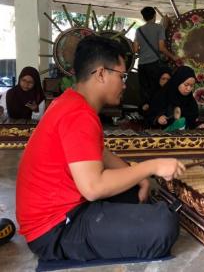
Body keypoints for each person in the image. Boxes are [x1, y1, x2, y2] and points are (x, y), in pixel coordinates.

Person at [16, 35, 186, 262]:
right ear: (101, 73)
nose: (125, 84)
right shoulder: (78, 115)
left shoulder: (69, 101)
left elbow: (98, 153)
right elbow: (93, 188)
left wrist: (140, 178)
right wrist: (151, 166)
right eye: (122, 76)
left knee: (134, 192)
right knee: (164, 225)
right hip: (54, 229)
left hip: (59, 213)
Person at [133, 6, 178, 112]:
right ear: (154, 16)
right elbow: (161, 48)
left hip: (142, 65)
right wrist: (173, 56)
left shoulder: (139, 30)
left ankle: (145, 112)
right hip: (154, 64)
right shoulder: (159, 28)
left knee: (144, 90)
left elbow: (135, 49)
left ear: (144, 18)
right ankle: (155, 114)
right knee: (156, 89)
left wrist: (143, 52)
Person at [148, 66, 204, 130]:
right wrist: (158, 119)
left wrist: (197, 128)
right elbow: (149, 116)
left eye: (191, 86)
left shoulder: (191, 102)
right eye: (186, 85)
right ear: (177, 82)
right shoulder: (162, 97)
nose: (188, 89)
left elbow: (192, 122)